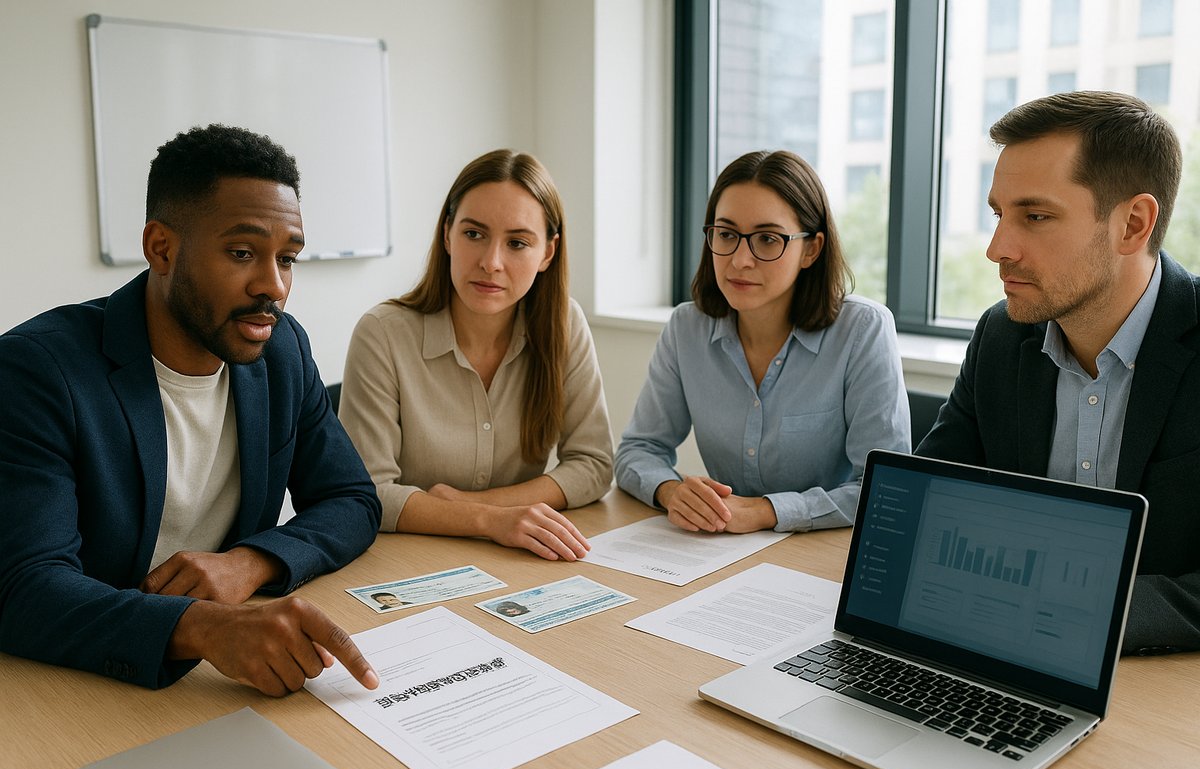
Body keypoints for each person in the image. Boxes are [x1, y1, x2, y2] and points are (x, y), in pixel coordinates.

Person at [0, 124, 382, 696]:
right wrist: (201, 627)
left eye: (288, 258)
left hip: (227, 675)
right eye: (242, 253)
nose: (273, 286)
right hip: (79, 679)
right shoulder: (38, 371)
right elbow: (25, 587)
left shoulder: (282, 350)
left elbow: (350, 499)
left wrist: (250, 563)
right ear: (162, 248)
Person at [916, 90, 1200, 655]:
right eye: (999, 214)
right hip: (997, 648)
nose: (998, 249)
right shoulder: (1001, 335)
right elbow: (927, 504)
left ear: (1133, 224)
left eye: (1036, 216)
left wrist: (1073, 615)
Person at [338, 150, 613, 561]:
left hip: (517, 559)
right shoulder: (382, 334)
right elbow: (367, 491)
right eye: (474, 234)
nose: (491, 262)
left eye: (517, 242)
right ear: (447, 233)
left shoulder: (564, 323)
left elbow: (593, 464)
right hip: (403, 563)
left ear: (548, 254)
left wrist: (484, 505)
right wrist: (486, 520)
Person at [616, 150, 910, 534]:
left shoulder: (862, 330)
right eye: (726, 234)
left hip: (823, 554)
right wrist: (672, 492)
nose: (740, 260)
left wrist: (766, 511)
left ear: (811, 249)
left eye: (767, 239)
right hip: (720, 550)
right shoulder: (686, 327)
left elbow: (886, 490)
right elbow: (637, 451)